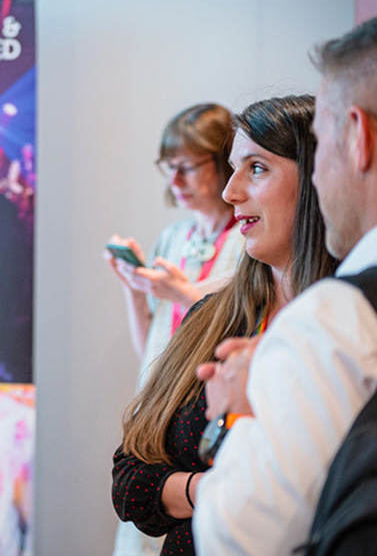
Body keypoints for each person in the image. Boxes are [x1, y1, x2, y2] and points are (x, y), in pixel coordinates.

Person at [112, 95, 339, 556]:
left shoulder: (346, 327)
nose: (231, 192)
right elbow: (130, 479)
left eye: (256, 168)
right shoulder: (211, 315)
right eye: (233, 168)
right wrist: (211, 491)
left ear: (319, 177)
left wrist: (191, 489)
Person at [194, 18, 377, 556]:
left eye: (320, 145)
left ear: (358, 137)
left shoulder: (337, 321)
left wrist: (248, 407)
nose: (320, 176)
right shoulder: (223, 310)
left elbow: (240, 538)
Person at [106, 103, 244, 556]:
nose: (176, 181)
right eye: (169, 168)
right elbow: (151, 347)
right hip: (158, 407)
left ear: (223, 162)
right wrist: (133, 287)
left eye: (186, 167)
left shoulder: (248, 243)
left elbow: (233, 332)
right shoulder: (175, 239)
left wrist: (186, 295)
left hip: (203, 422)